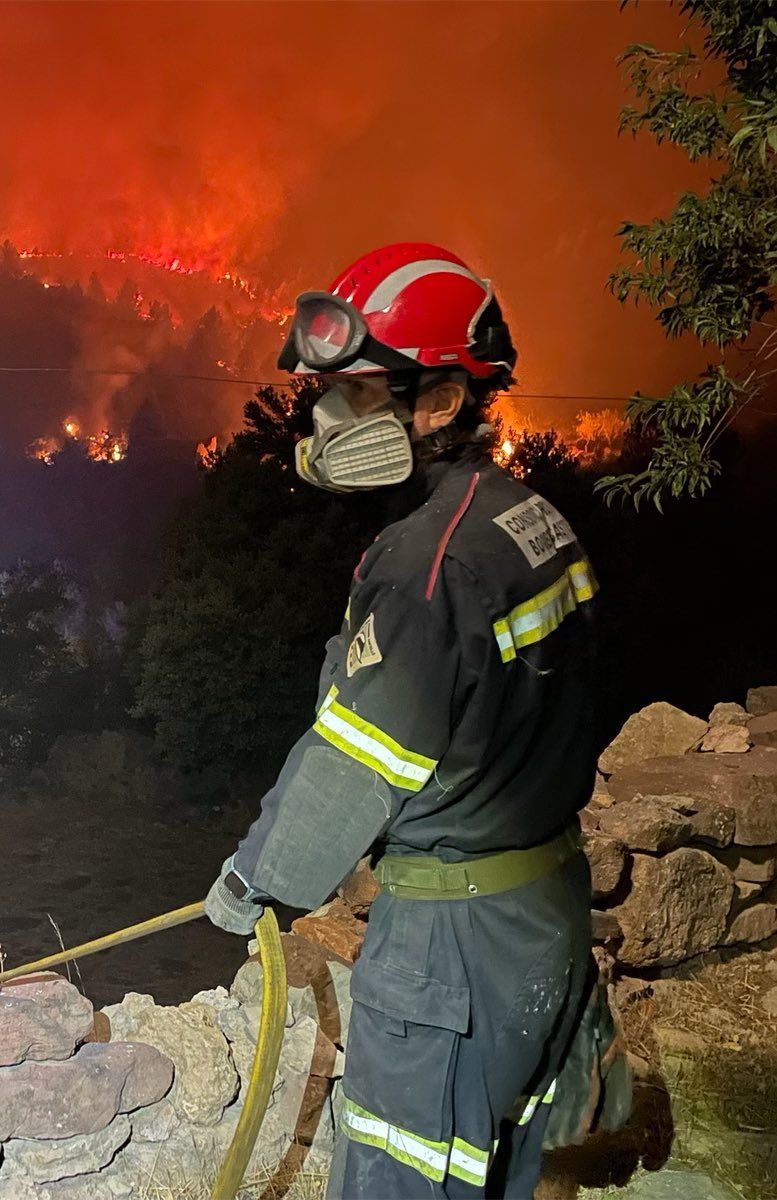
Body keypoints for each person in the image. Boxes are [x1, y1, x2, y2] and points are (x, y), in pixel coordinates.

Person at [203, 243, 599, 1199]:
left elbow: (361, 757)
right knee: (501, 1163)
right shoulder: (528, 519)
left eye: (365, 391)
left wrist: (256, 880)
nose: (332, 417)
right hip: (543, 907)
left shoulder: (428, 564)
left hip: (451, 946)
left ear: (444, 401)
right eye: (329, 393)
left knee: (404, 1173)